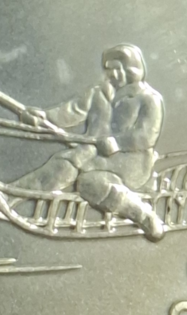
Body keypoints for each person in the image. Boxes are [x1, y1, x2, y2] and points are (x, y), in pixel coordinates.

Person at [13, 44, 166, 240]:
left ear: (131, 69)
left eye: (116, 69)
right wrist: (44, 117)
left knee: (91, 183)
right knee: (63, 165)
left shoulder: (149, 99)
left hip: (129, 163)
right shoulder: (99, 92)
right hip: (93, 153)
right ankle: (12, 195)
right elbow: (72, 111)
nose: (111, 74)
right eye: (109, 69)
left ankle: (144, 215)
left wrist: (118, 143)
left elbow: (146, 136)